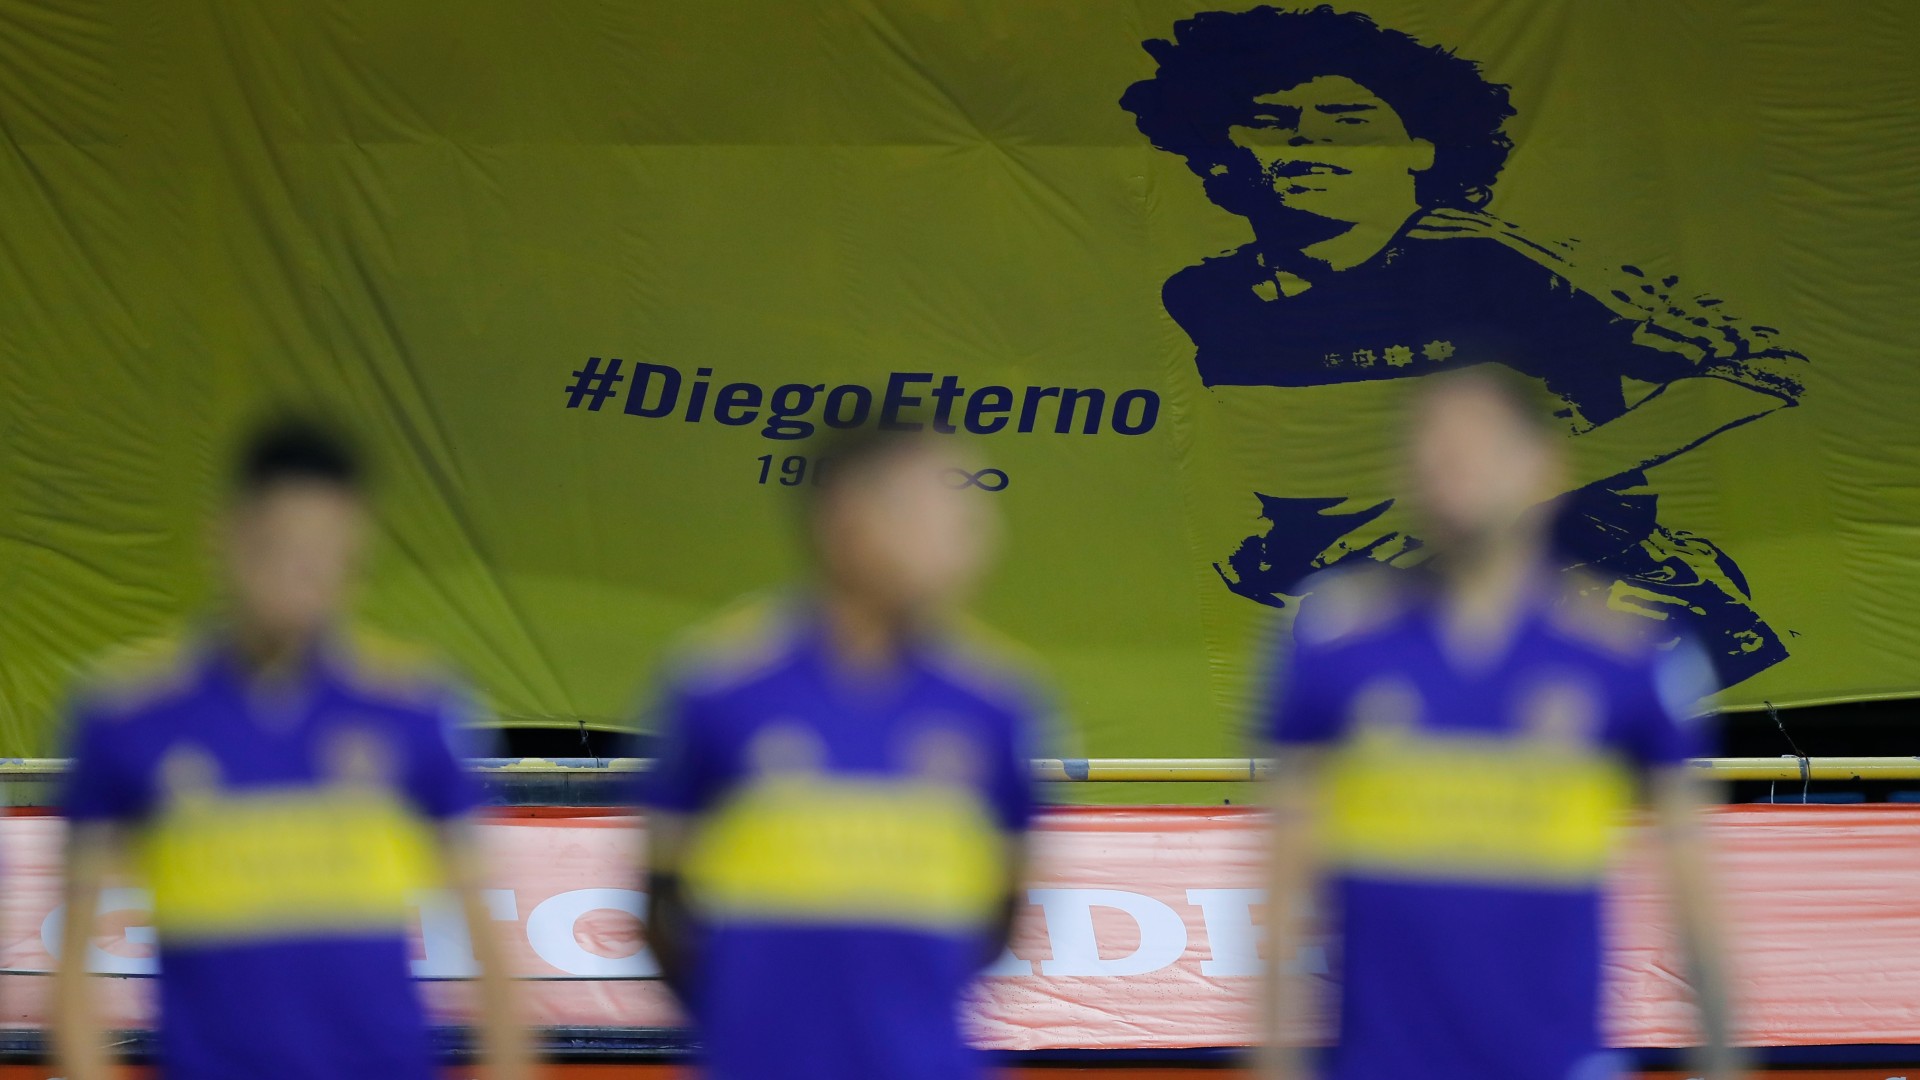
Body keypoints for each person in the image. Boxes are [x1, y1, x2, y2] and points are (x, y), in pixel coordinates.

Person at [1120, 4, 1808, 687]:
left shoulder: (1499, 261)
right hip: (1346, 607)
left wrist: (1493, 497)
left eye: (1348, 121)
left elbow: (1763, 369)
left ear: (1424, 147)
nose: (1308, 144)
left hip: (1566, 595)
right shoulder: (1204, 295)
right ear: (1217, 155)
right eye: (1272, 123)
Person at [1260, 367, 1739, 1080]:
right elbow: (1282, 887)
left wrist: (1723, 1064)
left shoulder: (1629, 659)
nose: (1448, 458)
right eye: (1429, 440)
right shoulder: (1332, 645)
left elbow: (1694, 893)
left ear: (1545, 467)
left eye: (1478, 440)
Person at [53, 419, 532, 1080]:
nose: (305, 574)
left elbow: (491, 950)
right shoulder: (124, 716)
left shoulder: (417, 708)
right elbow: (73, 970)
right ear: (225, 536)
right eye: (283, 547)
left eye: (329, 551)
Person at [637, 428, 1040, 1080]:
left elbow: (1001, 923)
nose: (976, 538)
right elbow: (661, 916)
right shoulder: (716, 687)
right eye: (945, 509)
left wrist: (900, 1015)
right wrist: (758, 1024)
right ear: (850, 520)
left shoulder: (997, 705)